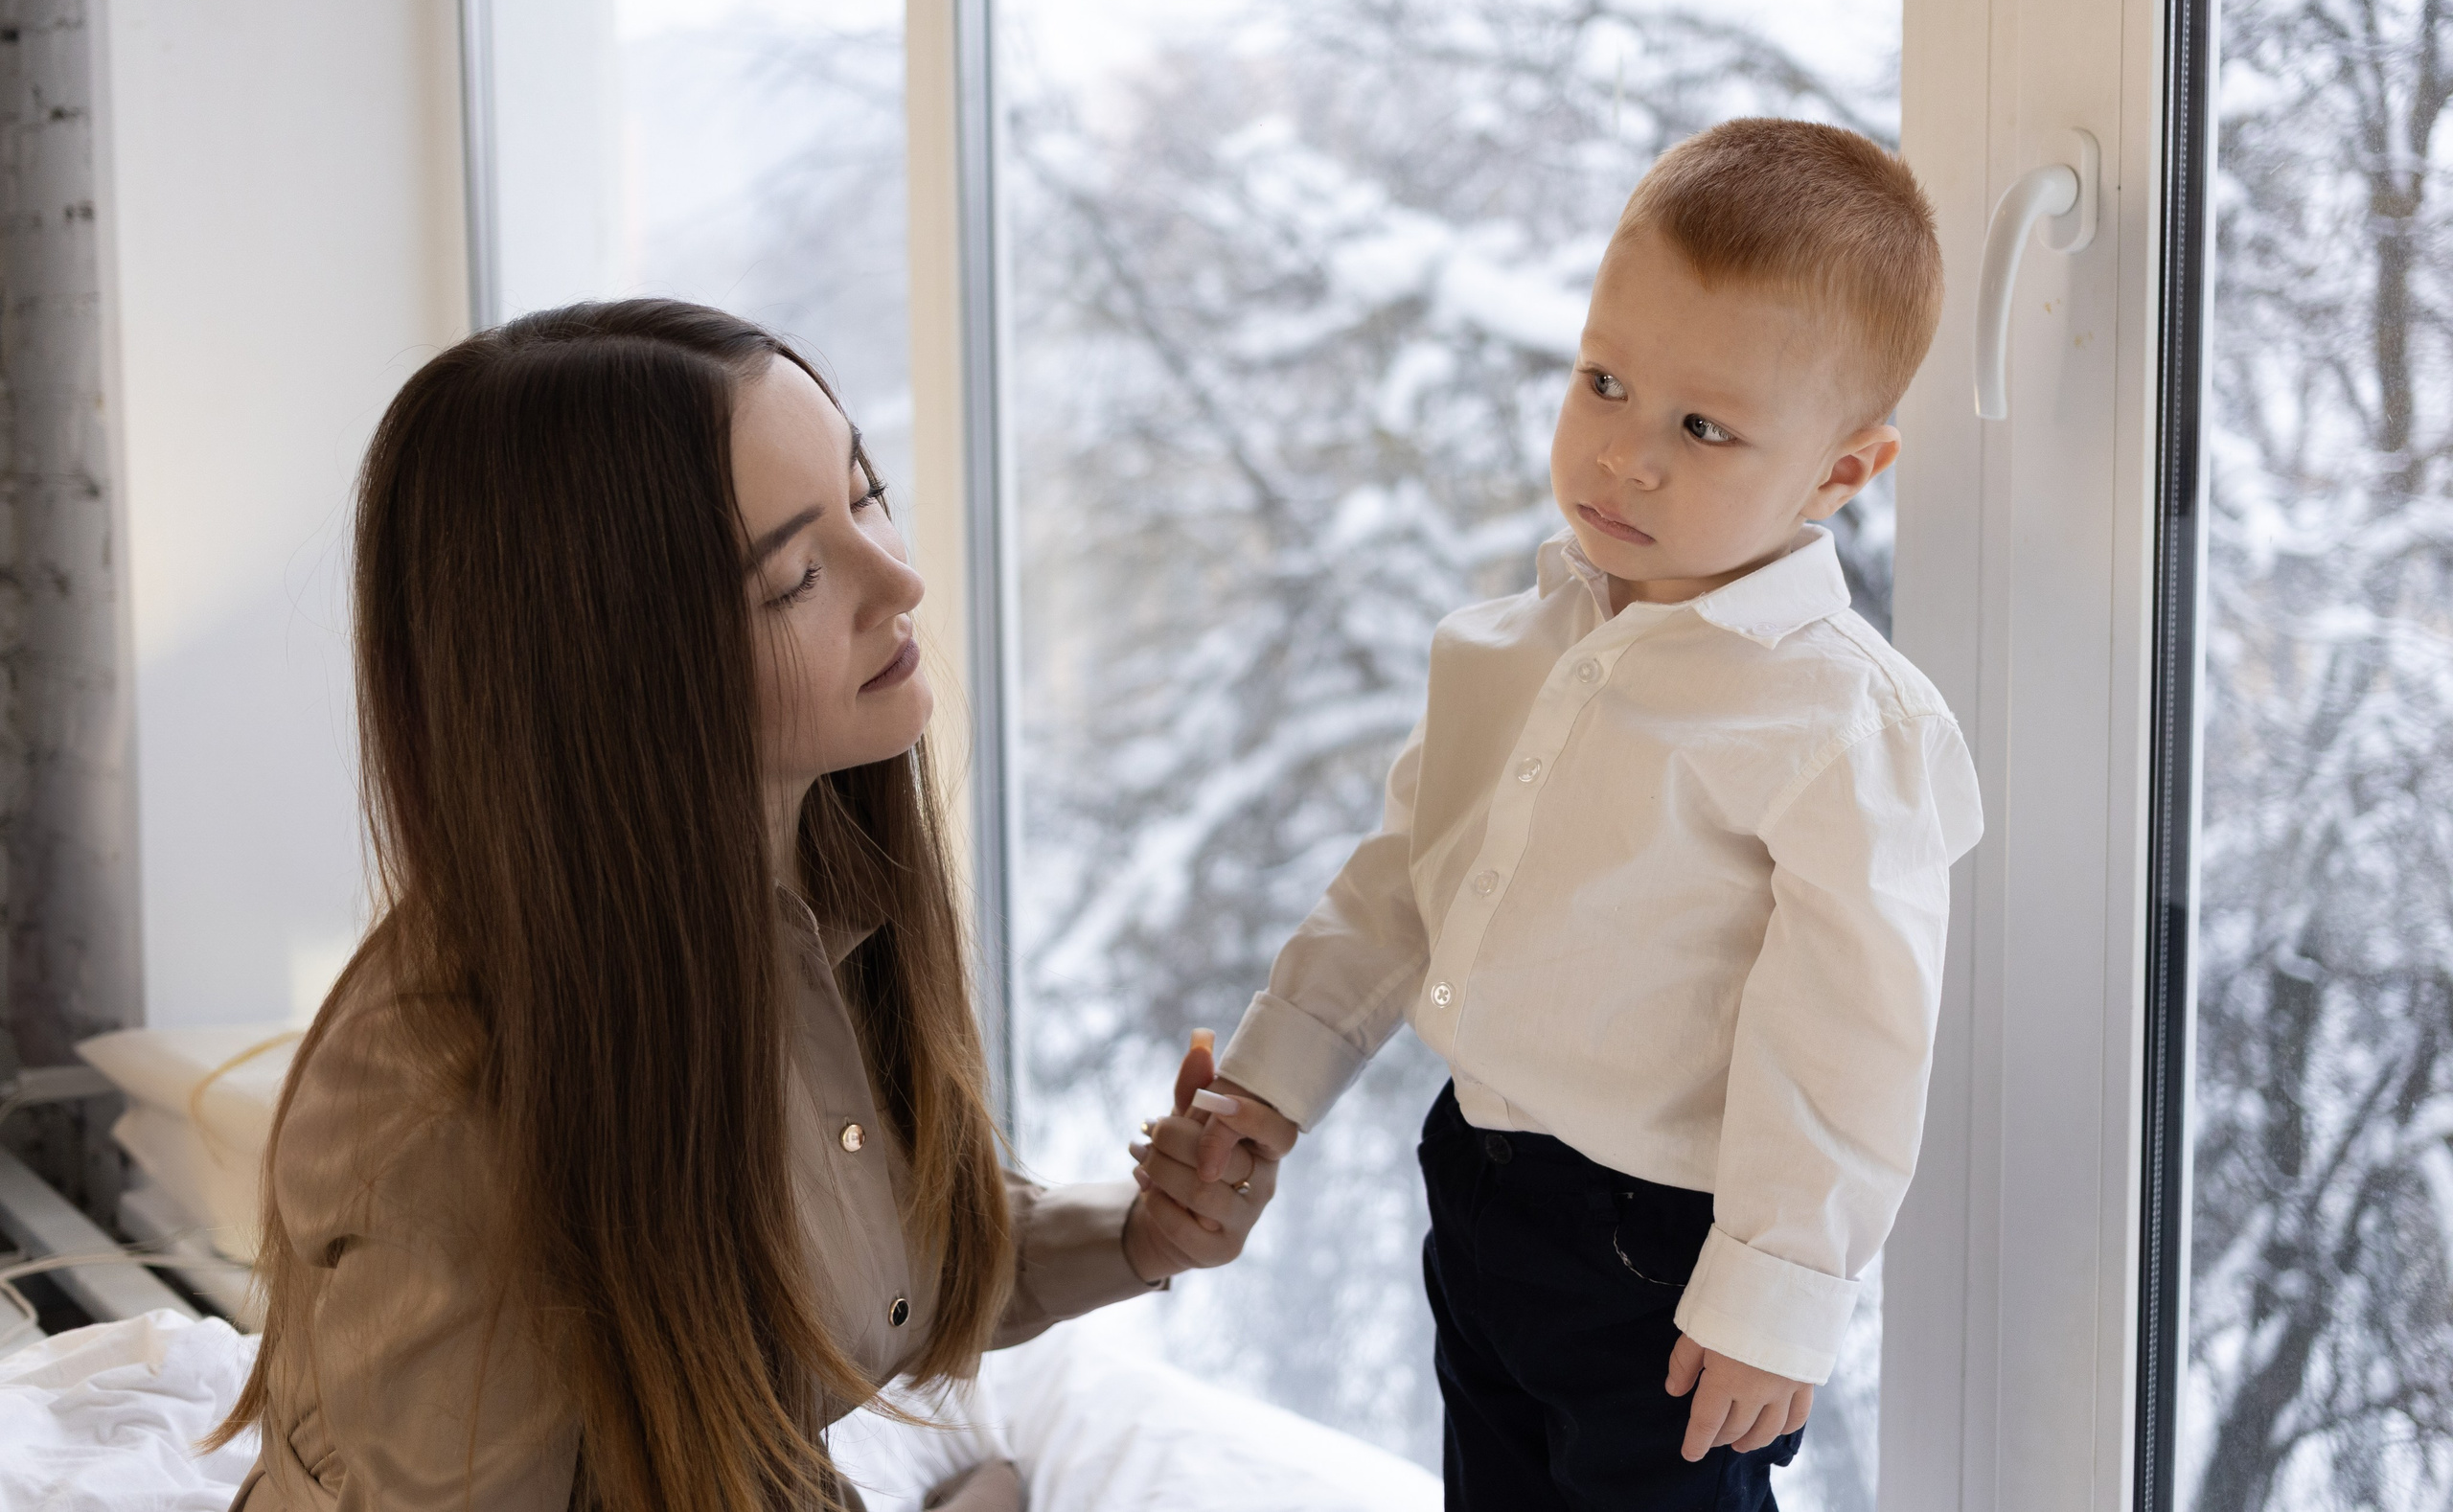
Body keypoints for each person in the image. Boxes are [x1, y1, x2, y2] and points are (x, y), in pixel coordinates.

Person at [209, 301, 1270, 1512]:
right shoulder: (443, 1119)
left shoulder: (807, 893)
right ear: (614, 676)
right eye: (796, 579)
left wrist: (1145, 1230)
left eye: (865, 494)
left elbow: (878, 1258)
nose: (900, 577)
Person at [1157, 119, 1985, 1509]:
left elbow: (1850, 1039)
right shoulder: (1512, 647)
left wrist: (1779, 1291)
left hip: (1657, 1252)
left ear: (1842, 471)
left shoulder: (1841, 724)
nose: (1626, 454)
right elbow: (1398, 887)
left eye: (1701, 426)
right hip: (1477, 1181)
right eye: (1605, 380)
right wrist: (1271, 1075)